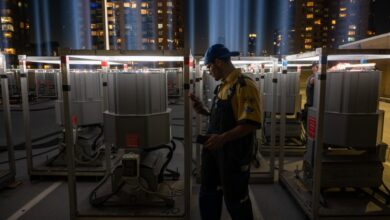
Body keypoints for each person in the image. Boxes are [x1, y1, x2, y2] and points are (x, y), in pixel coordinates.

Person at [189, 44, 261, 220]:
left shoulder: (244, 86)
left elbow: (251, 123)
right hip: (214, 153)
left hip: (233, 155)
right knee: (209, 194)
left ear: (219, 62)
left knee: (236, 200)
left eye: (209, 66)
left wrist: (222, 138)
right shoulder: (222, 86)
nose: (209, 71)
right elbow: (225, 117)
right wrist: (204, 110)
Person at [302, 62, 319, 128]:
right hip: (311, 105)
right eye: (316, 67)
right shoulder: (311, 78)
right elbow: (313, 81)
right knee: (310, 127)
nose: (318, 68)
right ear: (313, 68)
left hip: (316, 106)